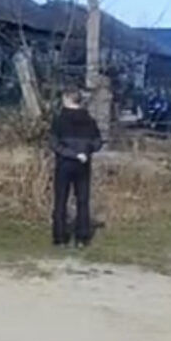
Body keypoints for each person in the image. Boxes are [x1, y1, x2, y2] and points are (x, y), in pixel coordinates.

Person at [50, 88, 103, 248]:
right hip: (83, 164)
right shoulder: (90, 121)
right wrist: (85, 152)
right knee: (83, 200)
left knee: (61, 200)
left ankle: (60, 237)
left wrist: (71, 154)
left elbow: (54, 144)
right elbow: (98, 142)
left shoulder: (59, 120)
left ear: (67, 99)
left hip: (65, 163)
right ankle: (82, 238)